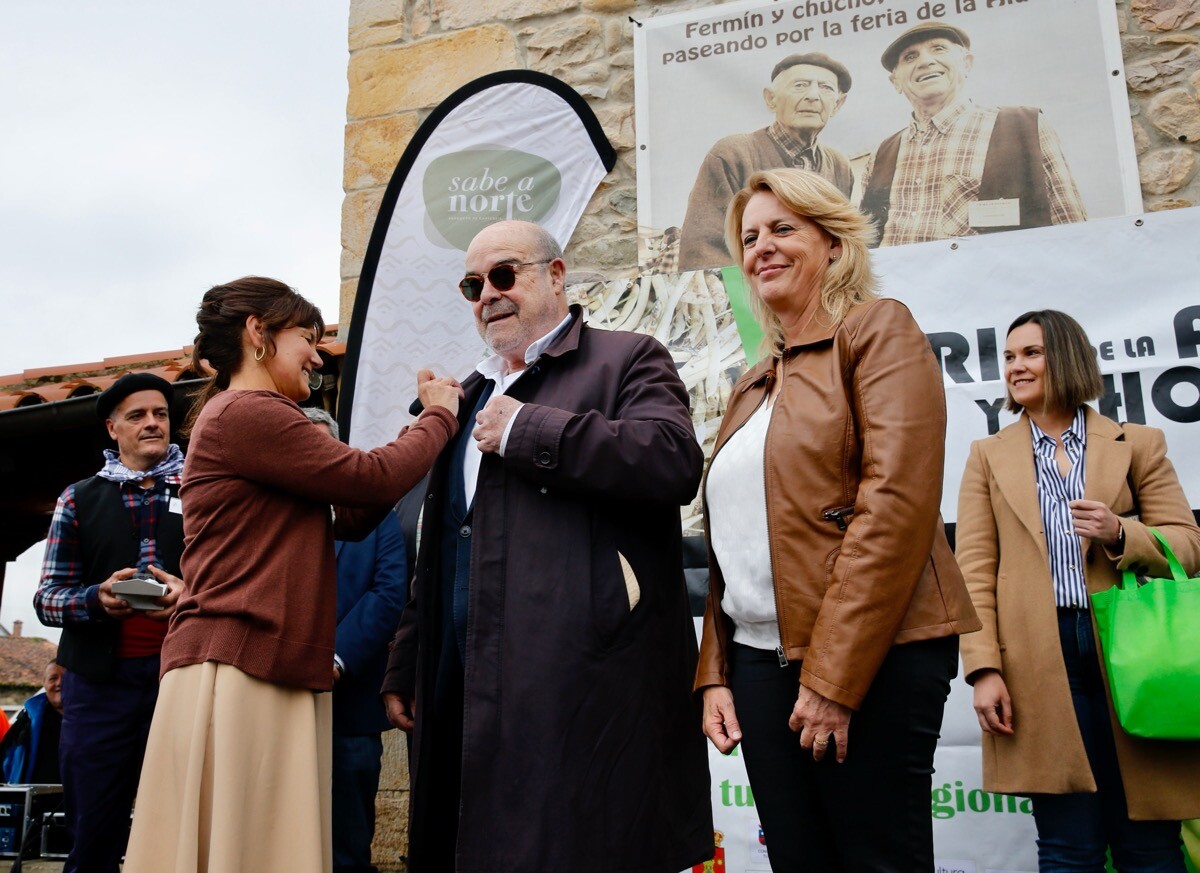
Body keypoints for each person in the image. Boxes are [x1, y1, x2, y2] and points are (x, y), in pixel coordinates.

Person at [381, 220, 712, 873]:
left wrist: (530, 427)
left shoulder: (628, 357)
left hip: (582, 684)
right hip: (462, 685)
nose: (487, 295)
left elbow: (673, 461)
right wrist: (408, 659)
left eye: (504, 274)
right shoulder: (467, 397)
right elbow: (442, 541)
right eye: (473, 284)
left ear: (555, 275)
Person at [121, 276, 460, 873]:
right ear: (258, 333)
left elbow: (352, 515)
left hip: (259, 665)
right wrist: (438, 419)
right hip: (241, 670)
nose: (316, 352)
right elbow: (371, 479)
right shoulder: (249, 412)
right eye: (306, 336)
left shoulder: (244, 420)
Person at [696, 168, 981, 872]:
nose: (761, 246)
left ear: (833, 241)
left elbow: (896, 508)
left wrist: (832, 678)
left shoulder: (877, 328)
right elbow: (729, 537)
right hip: (762, 665)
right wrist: (715, 672)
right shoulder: (752, 380)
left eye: (783, 229)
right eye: (750, 235)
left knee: (877, 859)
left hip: (872, 659)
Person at [957, 309, 1200, 871]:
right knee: (1068, 846)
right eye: (1010, 357)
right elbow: (974, 570)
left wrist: (1122, 533)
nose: (1015, 367)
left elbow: (1189, 545)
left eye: (1031, 354)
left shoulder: (1138, 443)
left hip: (1133, 650)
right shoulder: (987, 456)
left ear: (1065, 358)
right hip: (1037, 657)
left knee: (1150, 844)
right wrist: (984, 668)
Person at [33, 371, 186, 873]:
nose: (151, 423)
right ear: (112, 428)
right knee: (94, 834)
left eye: (160, 414)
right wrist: (97, 601)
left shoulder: (205, 487)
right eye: (137, 415)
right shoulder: (77, 497)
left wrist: (191, 595)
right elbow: (48, 597)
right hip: (99, 686)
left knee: (185, 831)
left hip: (183, 682)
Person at [860, 21, 1086, 247]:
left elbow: (1073, 232)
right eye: (910, 57)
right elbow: (862, 247)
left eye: (939, 48)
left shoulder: (1025, 127)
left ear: (966, 64)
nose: (925, 61)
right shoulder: (880, 155)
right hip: (893, 282)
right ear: (895, 82)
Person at [303, 407, 408, 873]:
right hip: (276, 697)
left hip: (350, 705)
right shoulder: (266, 515)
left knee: (348, 841)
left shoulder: (375, 516)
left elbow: (388, 593)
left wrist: (335, 659)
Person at [679, 52, 854, 271]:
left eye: (826, 88)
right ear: (771, 98)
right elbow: (704, 252)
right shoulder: (733, 154)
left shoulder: (840, 166)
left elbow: (843, 242)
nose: (813, 96)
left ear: (838, 104)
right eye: (800, 85)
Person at [1, 659, 65, 784]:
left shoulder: (93, 724)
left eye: (66, 679)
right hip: (33, 801)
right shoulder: (25, 723)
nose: (59, 683)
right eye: (53, 678)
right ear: (44, 684)